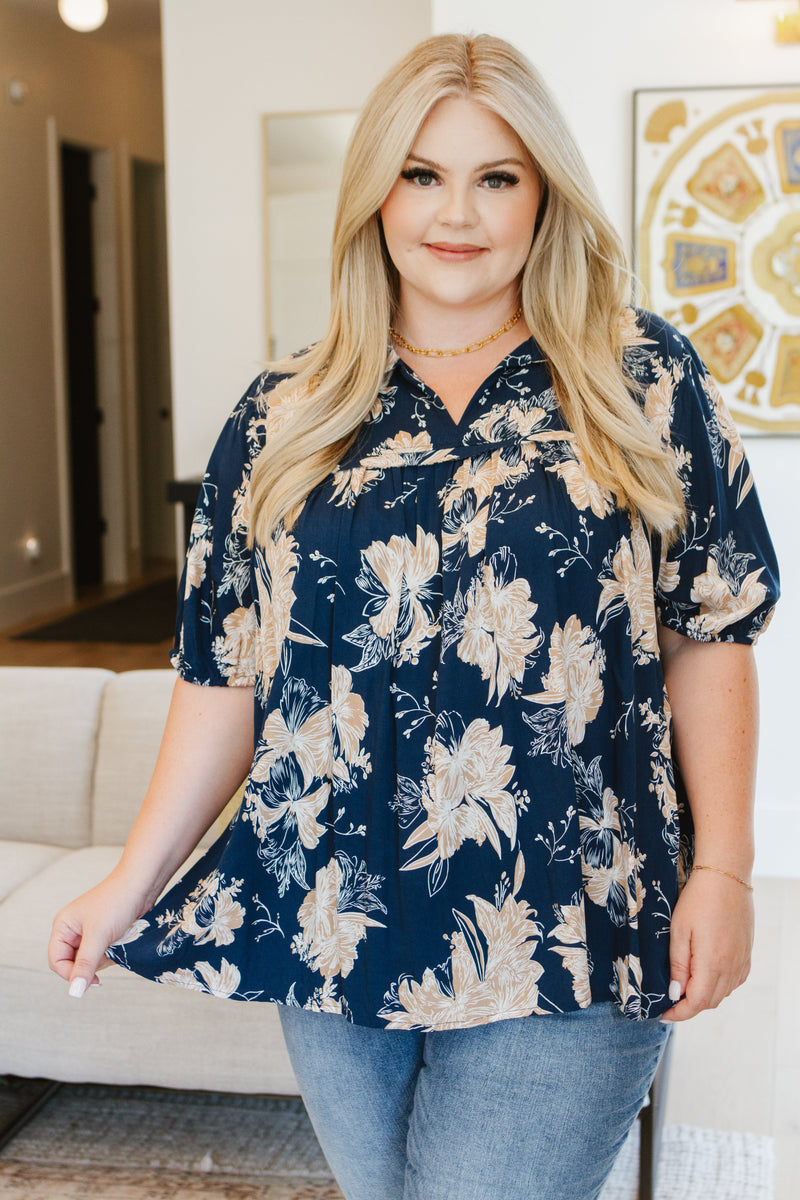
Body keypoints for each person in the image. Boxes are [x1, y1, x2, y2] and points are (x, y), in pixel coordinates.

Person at [49, 32, 779, 1200]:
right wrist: (129, 882)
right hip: (327, 912)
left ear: (543, 195)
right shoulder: (283, 413)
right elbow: (225, 676)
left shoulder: (639, 378)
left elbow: (709, 634)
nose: (456, 214)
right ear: (373, 192)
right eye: (421, 174)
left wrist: (725, 872)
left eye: (496, 177)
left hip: (569, 912)